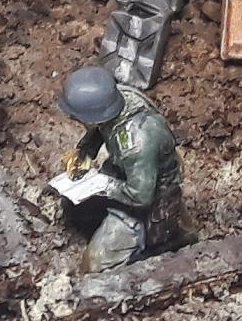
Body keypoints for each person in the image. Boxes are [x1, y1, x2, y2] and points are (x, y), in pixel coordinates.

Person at [57, 66, 185, 273]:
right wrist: (85, 151)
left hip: (147, 198)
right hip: (126, 172)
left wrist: (104, 185)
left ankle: (142, 253)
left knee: (94, 264)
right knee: (75, 207)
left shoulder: (137, 143)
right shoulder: (117, 99)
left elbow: (141, 196)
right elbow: (102, 127)